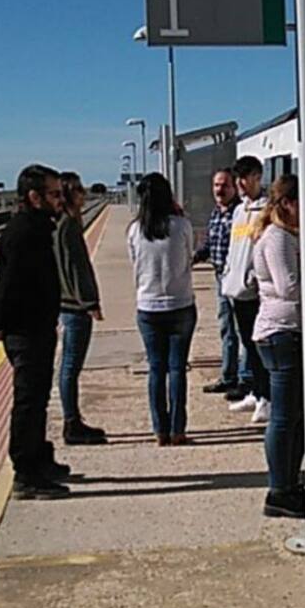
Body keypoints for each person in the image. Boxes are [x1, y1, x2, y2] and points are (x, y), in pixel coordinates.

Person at [0, 164, 70, 500]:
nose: (60, 199)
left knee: (38, 398)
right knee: (28, 401)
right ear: (34, 197)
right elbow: (7, 282)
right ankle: (26, 473)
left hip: (38, 327)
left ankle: (39, 457)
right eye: (54, 194)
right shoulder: (22, 233)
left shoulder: (38, 228)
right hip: (25, 330)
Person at [251, 174, 305, 518]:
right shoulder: (279, 238)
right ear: (288, 203)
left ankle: (289, 481)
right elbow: (289, 287)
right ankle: (279, 489)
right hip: (281, 332)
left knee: (296, 415)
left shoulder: (283, 236)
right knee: (285, 417)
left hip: (284, 331)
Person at [128, 173, 197, 446]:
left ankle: (160, 430)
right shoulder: (181, 225)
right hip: (180, 303)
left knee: (156, 369)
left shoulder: (135, 230)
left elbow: (134, 262)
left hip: (148, 306)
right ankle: (178, 429)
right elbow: (189, 256)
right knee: (177, 368)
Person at [54, 171, 106, 445]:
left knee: (70, 365)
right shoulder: (68, 225)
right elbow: (76, 267)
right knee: (71, 365)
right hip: (74, 306)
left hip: (67, 303)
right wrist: (89, 302)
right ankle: (71, 423)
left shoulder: (62, 223)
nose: (83, 194)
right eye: (77, 190)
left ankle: (72, 420)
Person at [221, 155, 272, 423]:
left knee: (258, 345)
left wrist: (253, 277)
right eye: (238, 178)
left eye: (245, 177)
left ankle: (266, 397)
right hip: (236, 288)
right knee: (248, 344)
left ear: (257, 177)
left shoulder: (266, 210)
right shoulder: (240, 211)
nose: (240, 183)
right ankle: (256, 390)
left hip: (253, 290)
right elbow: (235, 246)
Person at [193, 168, 251, 395]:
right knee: (226, 328)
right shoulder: (216, 213)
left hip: (236, 277)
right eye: (216, 185)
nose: (220, 190)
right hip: (220, 278)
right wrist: (195, 257)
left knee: (243, 329)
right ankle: (229, 376)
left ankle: (246, 379)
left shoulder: (240, 213)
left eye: (225, 185)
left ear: (234, 187)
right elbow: (210, 244)